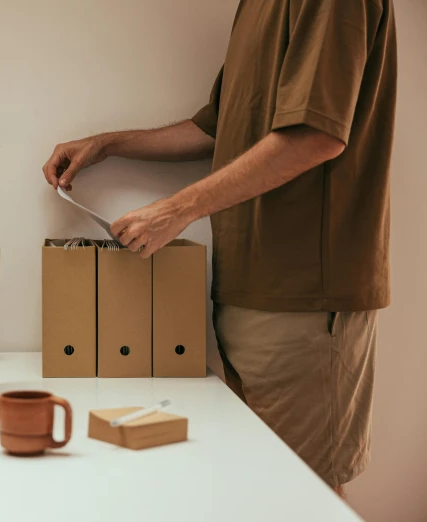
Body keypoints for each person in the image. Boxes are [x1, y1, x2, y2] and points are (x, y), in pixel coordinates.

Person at [42, 0, 396, 497]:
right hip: (246, 291)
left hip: (304, 300)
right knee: (258, 491)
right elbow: (219, 126)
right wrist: (108, 144)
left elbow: (315, 135)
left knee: (299, 496)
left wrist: (176, 210)